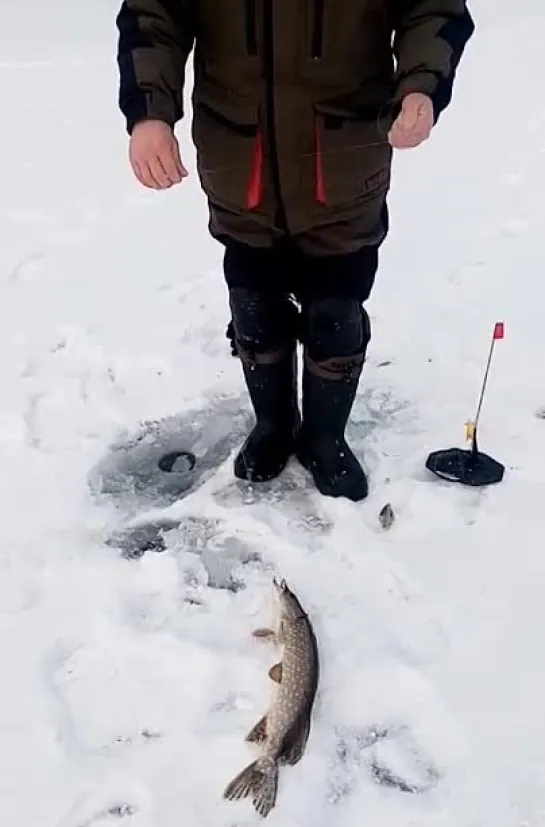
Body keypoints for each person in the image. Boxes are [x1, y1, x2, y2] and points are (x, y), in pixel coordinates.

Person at [116, 0, 474, 502]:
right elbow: (154, 16)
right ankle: (274, 425)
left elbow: (431, 8)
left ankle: (325, 437)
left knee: (336, 310)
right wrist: (149, 113)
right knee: (254, 304)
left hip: (345, 155)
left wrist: (421, 84)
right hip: (239, 155)